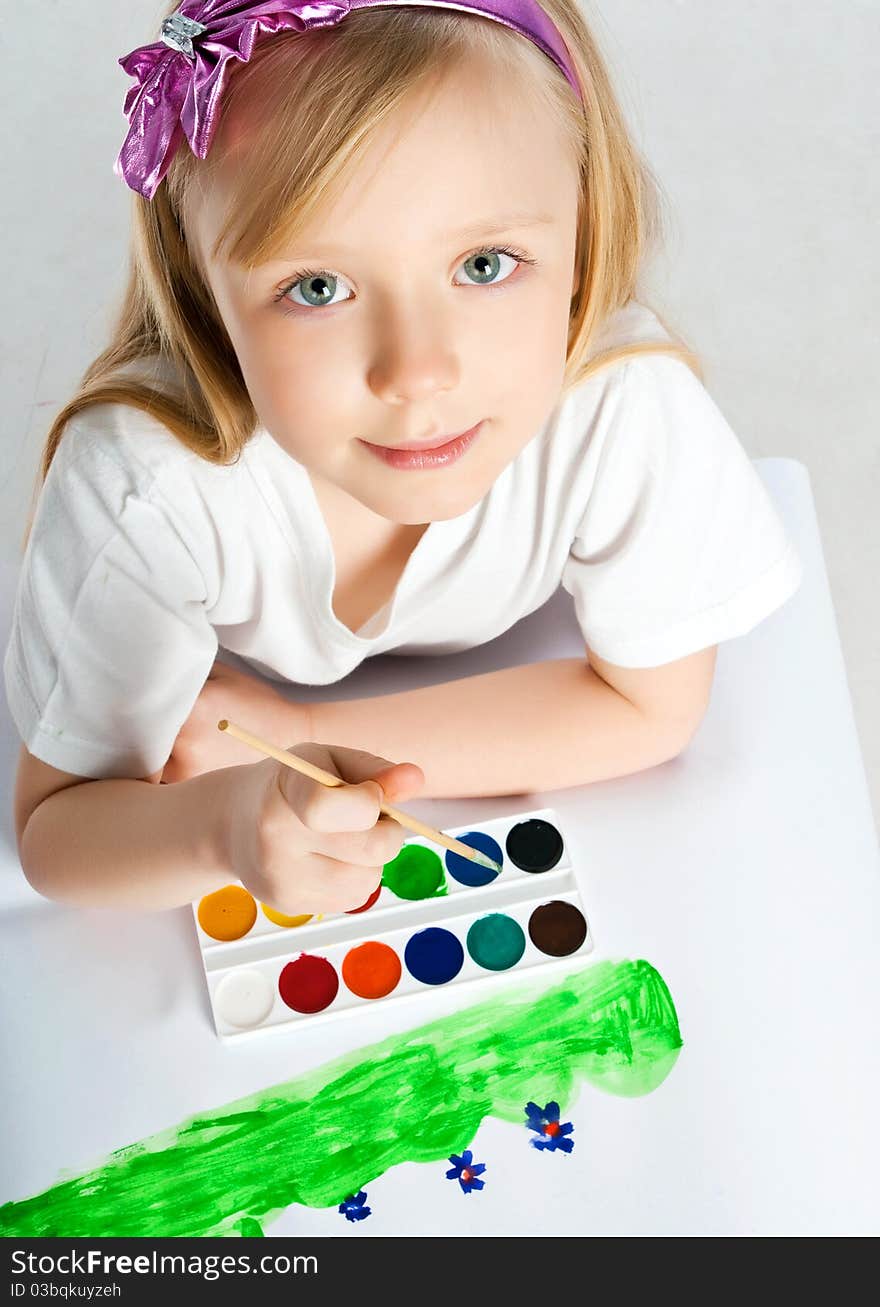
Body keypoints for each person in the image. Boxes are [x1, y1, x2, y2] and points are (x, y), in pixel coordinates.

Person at [5, 0, 801, 916]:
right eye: (318, 286)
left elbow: (650, 707)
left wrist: (309, 735)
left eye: (486, 265)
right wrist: (223, 827)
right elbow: (58, 828)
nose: (419, 375)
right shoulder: (149, 484)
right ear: (202, 281)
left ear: (582, 232)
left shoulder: (624, 405)